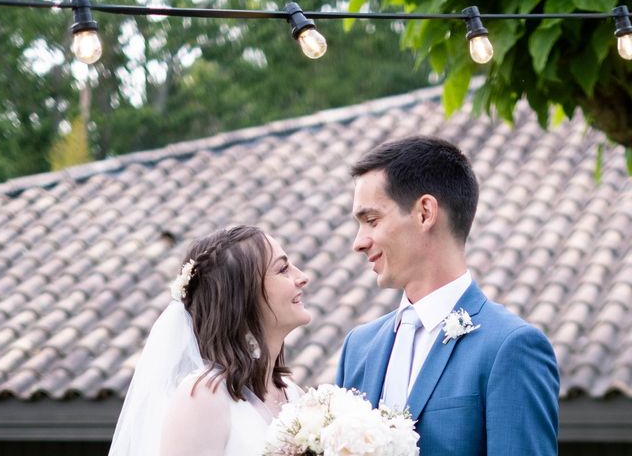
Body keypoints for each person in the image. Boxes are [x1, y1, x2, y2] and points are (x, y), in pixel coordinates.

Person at [336, 137, 560, 455]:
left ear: (425, 213)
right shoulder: (358, 348)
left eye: (371, 221)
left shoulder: (510, 347)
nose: (359, 242)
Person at [108, 225, 310, 456]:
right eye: (283, 269)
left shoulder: (295, 396)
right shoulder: (203, 397)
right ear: (242, 296)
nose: (302, 277)